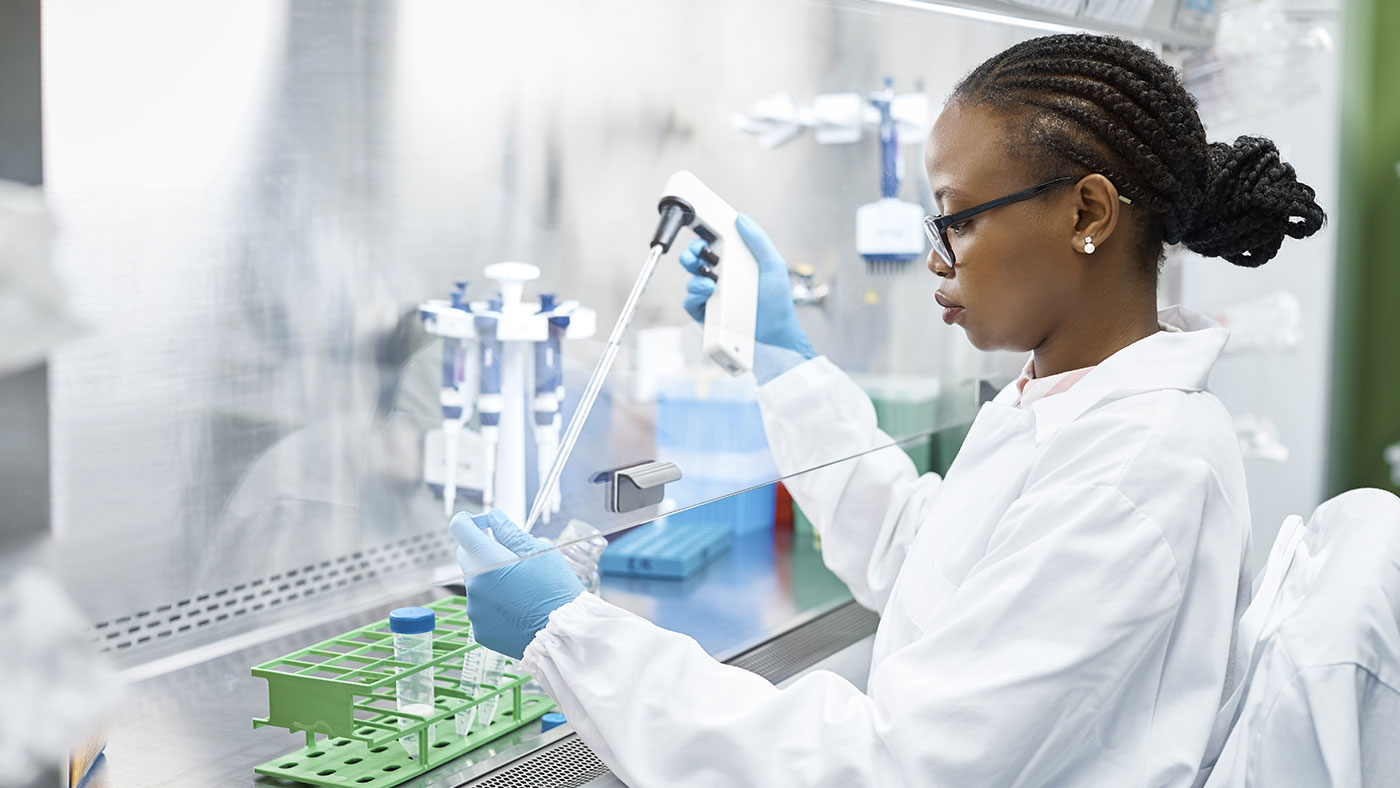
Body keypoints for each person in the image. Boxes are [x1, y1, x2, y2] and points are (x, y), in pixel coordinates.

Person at [450, 33, 1327, 787]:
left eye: (956, 220)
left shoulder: (1139, 464)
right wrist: (787, 364)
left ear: (1087, 212)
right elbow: (929, 562)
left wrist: (567, 635)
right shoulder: (1068, 403)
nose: (937, 260)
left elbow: (891, 771)